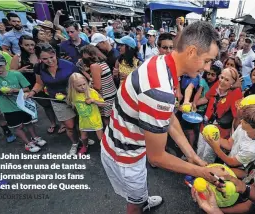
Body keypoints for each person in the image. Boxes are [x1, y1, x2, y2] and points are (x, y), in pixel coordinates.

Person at [101, 21, 230, 214]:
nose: (207, 67)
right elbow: (157, 157)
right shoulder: (159, 90)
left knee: (138, 192)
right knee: (133, 205)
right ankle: (139, 202)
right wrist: (201, 172)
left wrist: (193, 156)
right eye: (207, 60)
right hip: (125, 156)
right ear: (192, 51)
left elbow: (168, 118)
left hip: (123, 144)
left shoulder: (161, 63)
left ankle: (142, 198)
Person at [26, 44, 79, 155]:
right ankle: (75, 143)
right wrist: (32, 92)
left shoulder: (69, 65)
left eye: (52, 57)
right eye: (45, 58)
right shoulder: (39, 67)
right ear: (40, 58)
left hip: (75, 98)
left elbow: (79, 81)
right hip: (56, 100)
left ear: (55, 54)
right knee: (69, 126)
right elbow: (39, 83)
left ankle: (84, 139)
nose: (49, 61)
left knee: (80, 123)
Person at [0, 53, 46, 152]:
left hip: (22, 104)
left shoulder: (16, 74)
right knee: (18, 127)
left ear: (5, 64)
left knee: (28, 122)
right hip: (7, 107)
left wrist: (14, 90)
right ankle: (28, 143)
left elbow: (26, 88)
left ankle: (34, 137)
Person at [10, 35, 61, 134]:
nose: (30, 47)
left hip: (48, 83)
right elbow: (10, 73)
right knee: (46, 105)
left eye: (32, 45)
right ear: (21, 45)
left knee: (57, 103)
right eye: (27, 45)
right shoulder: (18, 57)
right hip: (33, 86)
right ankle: (53, 123)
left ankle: (63, 124)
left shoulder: (40, 54)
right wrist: (21, 70)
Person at [196, 67, 243, 139]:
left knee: (208, 150)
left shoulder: (236, 93)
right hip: (205, 125)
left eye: (227, 80)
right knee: (200, 149)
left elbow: (237, 117)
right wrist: (192, 104)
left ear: (233, 83)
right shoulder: (218, 84)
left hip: (219, 133)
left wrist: (234, 137)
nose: (222, 81)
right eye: (222, 77)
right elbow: (206, 98)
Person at [66, 73, 106, 154]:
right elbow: (70, 102)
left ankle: (105, 150)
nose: (83, 87)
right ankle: (85, 146)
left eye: (84, 84)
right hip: (83, 120)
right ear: (73, 86)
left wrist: (93, 100)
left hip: (95, 119)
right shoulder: (73, 94)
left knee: (100, 137)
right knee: (84, 137)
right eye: (79, 85)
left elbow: (103, 104)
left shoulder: (92, 92)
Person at [80, 45, 117, 126]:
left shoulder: (94, 66)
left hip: (105, 97)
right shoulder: (102, 63)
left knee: (107, 120)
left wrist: (87, 88)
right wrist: (84, 72)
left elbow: (97, 86)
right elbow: (96, 78)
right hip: (112, 94)